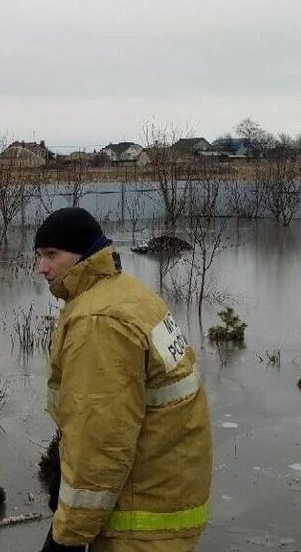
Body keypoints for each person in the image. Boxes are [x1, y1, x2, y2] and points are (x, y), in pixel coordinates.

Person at [34, 207, 212, 552]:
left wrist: (67, 537)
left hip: (139, 519)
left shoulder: (98, 322)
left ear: (83, 254)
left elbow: (101, 443)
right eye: (39, 256)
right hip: (167, 496)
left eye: (52, 255)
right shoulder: (127, 293)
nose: (41, 267)